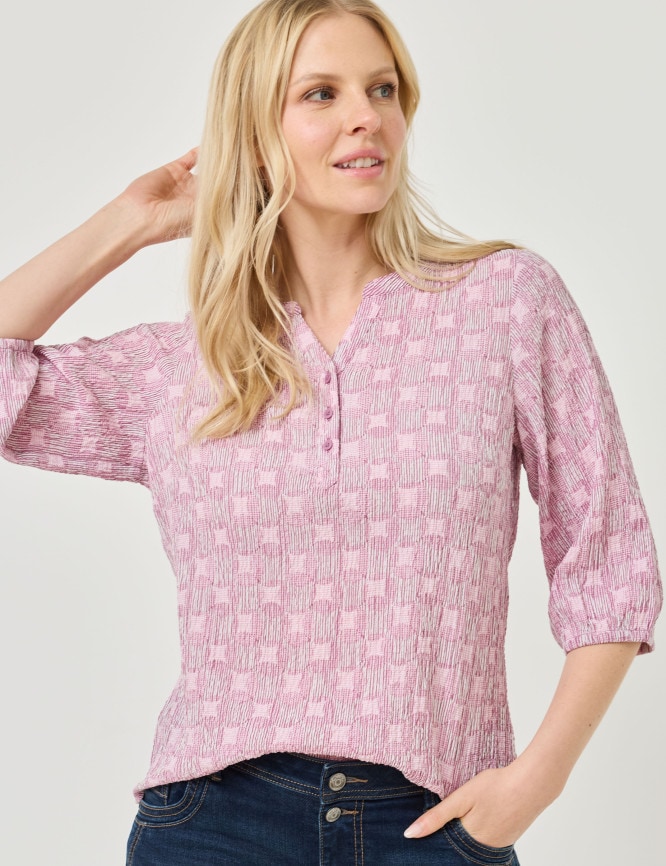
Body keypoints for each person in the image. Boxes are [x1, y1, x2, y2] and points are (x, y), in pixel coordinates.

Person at [0, 0, 661, 863]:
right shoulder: (187, 366)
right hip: (213, 824)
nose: (366, 116)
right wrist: (131, 221)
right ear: (254, 134)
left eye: (382, 89)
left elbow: (611, 560)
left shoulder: (504, 303)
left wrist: (535, 782)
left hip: (432, 822)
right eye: (321, 93)